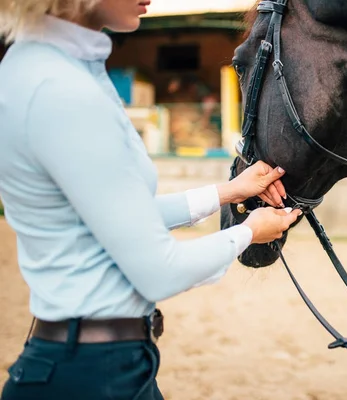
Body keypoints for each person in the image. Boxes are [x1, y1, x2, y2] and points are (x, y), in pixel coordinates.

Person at [0, 1, 302, 399]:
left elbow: (117, 215)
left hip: (93, 362)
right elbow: (161, 270)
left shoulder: (41, 69)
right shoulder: (61, 90)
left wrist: (229, 191)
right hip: (95, 376)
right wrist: (248, 232)